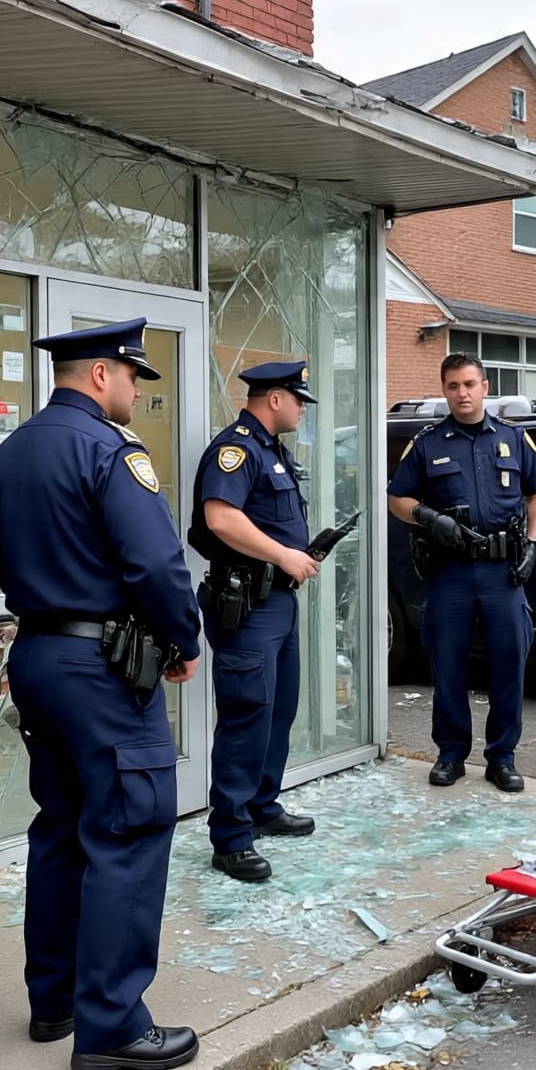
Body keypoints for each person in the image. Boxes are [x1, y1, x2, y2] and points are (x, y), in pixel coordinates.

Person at [0, 318, 203, 1070]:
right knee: (130, 830)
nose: (138, 392)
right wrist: (184, 641)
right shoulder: (110, 449)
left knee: (64, 827)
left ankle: (58, 1000)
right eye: (135, 377)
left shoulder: (10, 453)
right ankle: (111, 1027)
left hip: (39, 653)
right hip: (105, 666)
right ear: (103, 374)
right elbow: (154, 563)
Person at [387, 354, 536, 792]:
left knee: (508, 665)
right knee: (447, 666)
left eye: (469, 384)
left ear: (485, 387)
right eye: (453, 386)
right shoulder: (428, 443)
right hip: (451, 572)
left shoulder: (515, 439)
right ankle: (450, 754)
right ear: (444, 390)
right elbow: (397, 499)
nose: (462, 393)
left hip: (503, 573)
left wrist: (533, 544)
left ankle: (502, 757)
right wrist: (428, 517)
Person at [188, 361, 319, 883]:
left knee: (279, 710)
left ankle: (263, 804)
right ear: (274, 399)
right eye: (298, 399)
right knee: (247, 716)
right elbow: (220, 517)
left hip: (277, 603)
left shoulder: (273, 451)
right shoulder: (236, 448)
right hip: (248, 605)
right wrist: (283, 556)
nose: (302, 408)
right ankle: (231, 838)